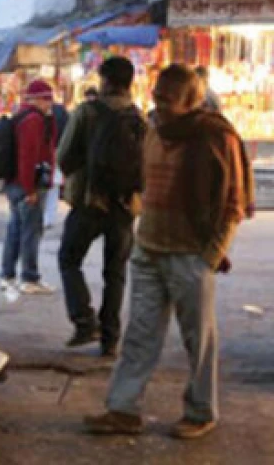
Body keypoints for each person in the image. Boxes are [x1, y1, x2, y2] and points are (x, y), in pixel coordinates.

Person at [85, 65, 252, 440]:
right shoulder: (153, 132)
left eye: (168, 100)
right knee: (139, 335)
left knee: (199, 339)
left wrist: (210, 256)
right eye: (157, 96)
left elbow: (233, 204)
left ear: (191, 102)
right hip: (149, 248)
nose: (159, 105)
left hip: (190, 254)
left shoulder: (214, 137)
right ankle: (123, 409)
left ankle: (200, 411)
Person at [56, 57, 145, 357]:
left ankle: (84, 320)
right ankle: (110, 338)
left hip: (89, 201)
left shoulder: (87, 112)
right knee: (115, 272)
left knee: (69, 259)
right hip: (124, 206)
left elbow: (65, 155)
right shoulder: (138, 118)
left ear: (105, 80)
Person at [0, 80, 57, 295]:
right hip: (27, 185)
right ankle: (29, 277)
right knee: (31, 231)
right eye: (46, 99)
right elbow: (28, 156)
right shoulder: (33, 120)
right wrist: (30, 189)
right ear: (37, 99)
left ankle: (8, 274)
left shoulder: (22, 116)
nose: (49, 104)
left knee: (15, 229)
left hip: (15, 183)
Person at [43, 100, 69, 230]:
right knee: (55, 187)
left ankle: (45, 217)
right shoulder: (62, 112)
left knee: (47, 185)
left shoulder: (46, 114)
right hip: (59, 150)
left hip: (48, 150)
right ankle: (50, 218)